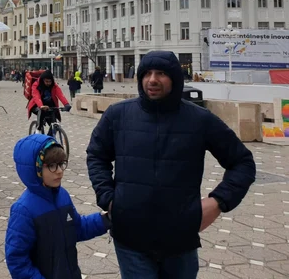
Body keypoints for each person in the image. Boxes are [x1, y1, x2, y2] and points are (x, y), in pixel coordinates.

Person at [86, 51, 256, 279]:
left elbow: (242, 162)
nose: (152, 80)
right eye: (146, 73)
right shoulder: (118, 115)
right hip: (131, 237)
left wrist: (218, 202)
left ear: (175, 78)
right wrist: (108, 197)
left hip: (180, 240)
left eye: (161, 73)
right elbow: (97, 155)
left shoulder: (200, 120)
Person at [6, 135, 110, 278]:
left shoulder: (63, 196)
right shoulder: (23, 210)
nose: (60, 171)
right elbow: (17, 260)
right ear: (35, 169)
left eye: (61, 164)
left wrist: (106, 219)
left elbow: (77, 228)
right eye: (52, 166)